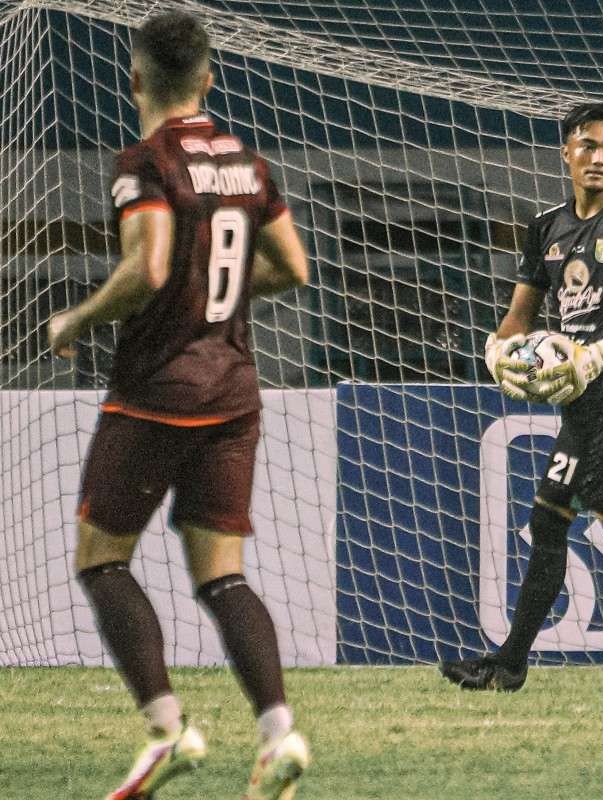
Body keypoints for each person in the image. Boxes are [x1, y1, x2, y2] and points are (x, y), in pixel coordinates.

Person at [46, 12, 310, 800]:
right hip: (234, 392)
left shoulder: (145, 161)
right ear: (209, 77)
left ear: (134, 80)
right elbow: (292, 268)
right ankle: (279, 732)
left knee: (101, 558)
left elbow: (150, 265)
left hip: (158, 392)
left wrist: (78, 317)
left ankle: (168, 731)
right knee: (223, 576)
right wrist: (214, 306)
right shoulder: (248, 163)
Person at [441, 101, 603, 692]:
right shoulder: (545, 227)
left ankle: (507, 665)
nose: (599, 157)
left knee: (549, 516)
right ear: (567, 152)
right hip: (577, 398)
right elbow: (518, 316)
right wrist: (496, 350)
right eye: (588, 146)